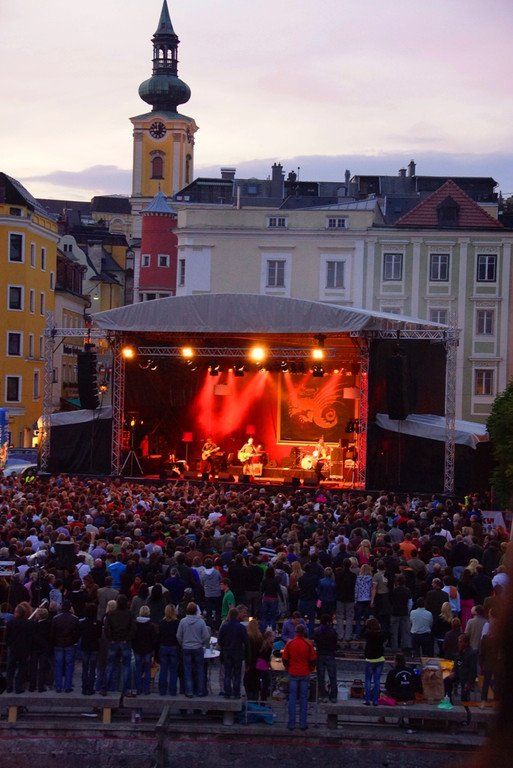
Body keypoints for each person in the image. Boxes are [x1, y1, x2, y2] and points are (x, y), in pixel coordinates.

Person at [282, 623, 317, 731]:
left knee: (292, 698)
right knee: (303, 698)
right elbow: (313, 659)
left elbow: (285, 658)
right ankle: (303, 724)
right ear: (304, 632)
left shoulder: (290, 643)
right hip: (304, 672)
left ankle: (291, 724)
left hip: (293, 672)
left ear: (295, 632)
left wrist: (288, 668)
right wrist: (310, 669)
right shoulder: (308, 644)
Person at [103, 594, 135, 696]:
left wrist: (110, 639)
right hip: (125, 642)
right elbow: (133, 628)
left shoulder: (110, 614)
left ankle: (105, 688)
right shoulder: (130, 614)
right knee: (126, 666)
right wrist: (127, 638)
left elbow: (106, 628)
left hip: (114, 641)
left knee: (110, 665)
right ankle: (125, 689)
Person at [176, 601, 210, 697]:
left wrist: (182, 643)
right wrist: (202, 643)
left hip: (186, 647)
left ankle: (189, 691)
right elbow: (206, 636)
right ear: (196, 611)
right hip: (198, 647)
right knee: (200, 669)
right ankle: (200, 691)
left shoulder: (183, 621)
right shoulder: (201, 622)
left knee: (187, 670)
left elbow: (178, 635)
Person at [218, 606, 249, 698]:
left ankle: (227, 692)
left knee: (227, 674)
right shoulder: (241, 627)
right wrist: (247, 655)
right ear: (237, 615)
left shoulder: (224, 627)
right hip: (238, 653)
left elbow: (220, 641)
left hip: (227, 653)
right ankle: (236, 693)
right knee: (237, 675)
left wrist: (224, 647)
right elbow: (246, 642)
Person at [5, 604, 32, 694]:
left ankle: (9, 687)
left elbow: (7, 637)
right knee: (22, 668)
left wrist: (9, 645)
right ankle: (18, 687)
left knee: (10, 668)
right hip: (24, 649)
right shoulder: (28, 623)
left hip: (13, 648)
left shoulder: (10, 623)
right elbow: (29, 637)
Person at [444, 633, 477, 704]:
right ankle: (448, 699)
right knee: (447, 680)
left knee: (464, 693)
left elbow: (473, 670)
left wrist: (469, 682)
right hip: (459, 674)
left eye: (460, 642)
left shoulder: (471, 654)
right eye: (459, 641)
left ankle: (465, 702)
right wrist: (453, 672)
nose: (458, 644)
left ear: (466, 643)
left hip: (466, 676)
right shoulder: (459, 652)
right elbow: (456, 664)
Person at [132, 605, 158, 696]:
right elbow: (154, 639)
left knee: (138, 669)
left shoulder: (135, 625)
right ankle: (146, 690)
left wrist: (134, 647)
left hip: (137, 649)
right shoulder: (151, 626)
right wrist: (153, 649)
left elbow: (133, 637)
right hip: (148, 650)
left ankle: (138, 689)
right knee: (147, 670)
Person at [314, 614, 338, 702]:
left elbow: (315, 641)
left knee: (321, 676)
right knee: (332, 676)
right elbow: (335, 643)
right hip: (330, 654)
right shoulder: (332, 631)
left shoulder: (316, 631)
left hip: (320, 654)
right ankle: (333, 695)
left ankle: (323, 694)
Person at [362, 617, 386, 706]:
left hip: (370, 659)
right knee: (377, 681)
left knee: (368, 680)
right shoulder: (381, 634)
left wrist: (365, 626)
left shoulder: (368, 634)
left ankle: (367, 699)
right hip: (380, 659)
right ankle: (376, 700)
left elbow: (361, 634)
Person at [158, 603, 180, 696]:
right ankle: (172, 690)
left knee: (163, 669)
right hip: (174, 647)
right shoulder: (177, 623)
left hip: (163, 646)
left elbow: (159, 635)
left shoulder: (161, 622)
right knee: (173, 670)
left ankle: (162, 690)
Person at [79, 604, 101, 695]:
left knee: (85, 667)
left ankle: (84, 688)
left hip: (85, 646)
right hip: (94, 646)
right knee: (92, 668)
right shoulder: (98, 623)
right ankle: (91, 688)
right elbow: (99, 635)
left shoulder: (82, 623)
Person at [29, 606, 52, 693]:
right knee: (42, 668)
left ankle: (32, 686)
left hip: (35, 648)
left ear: (39, 615)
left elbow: (32, 636)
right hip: (44, 648)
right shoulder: (49, 624)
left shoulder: (33, 624)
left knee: (33, 667)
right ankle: (41, 687)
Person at [335, 559, 356, 645]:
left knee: (339, 617)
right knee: (349, 617)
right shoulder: (353, 575)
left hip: (340, 597)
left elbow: (336, 586)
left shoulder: (338, 574)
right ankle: (348, 636)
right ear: (350, 565)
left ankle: (340, 635)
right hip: (350, 598)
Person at [389, 574, 412, 654]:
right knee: (405, 631)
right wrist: (408, 611)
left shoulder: (394, 591)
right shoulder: (407, 590)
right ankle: (406, 647)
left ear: (397, 582)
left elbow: (391, 601)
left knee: (394, 632)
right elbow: (410, 602)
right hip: (404, 612)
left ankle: (394, 648)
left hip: (395, 612)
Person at [200, 557, 222, 630]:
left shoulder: (203, 573)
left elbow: (202, 583)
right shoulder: (216, 572)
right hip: (217, 594)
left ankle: (210, 627)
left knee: (209, 612)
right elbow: (220, 580)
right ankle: (218, 626)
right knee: (218, 611)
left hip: (208, 594)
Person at [259, 566, 281, 632]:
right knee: (273, 616)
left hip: (266, 598)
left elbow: (262, 590)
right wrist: (282, 599)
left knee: (264, 616)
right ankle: (271, 630)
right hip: (274, 598)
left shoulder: (264, 580)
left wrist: (260, 598)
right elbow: (279, 590)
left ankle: (263, 630)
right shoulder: (275, 581)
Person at [354, 564, 373, 639]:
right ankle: (366, 634)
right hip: (367, 599)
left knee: (358, 619)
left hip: (359, 599)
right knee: (366, 618)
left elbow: (356, 590)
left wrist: (355, 600)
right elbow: (372, 589)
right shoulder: (371, 579)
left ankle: (358, 634)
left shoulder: (358, 578)